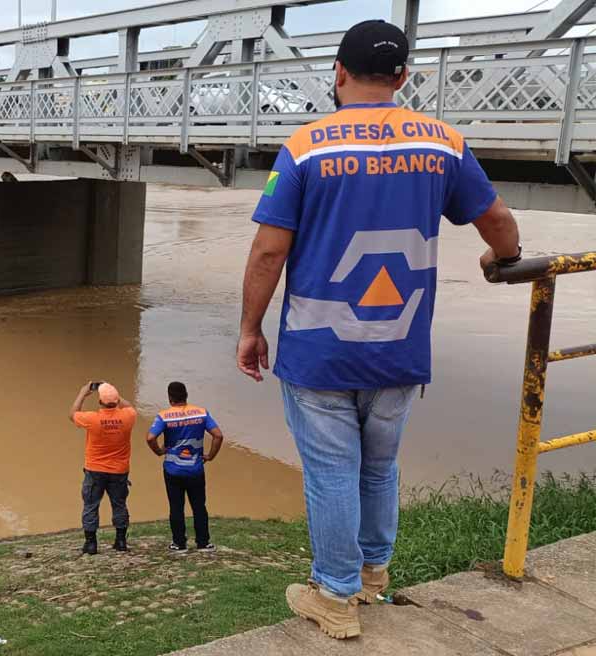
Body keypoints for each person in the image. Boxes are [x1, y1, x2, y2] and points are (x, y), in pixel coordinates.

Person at [237, 20, 522, 640]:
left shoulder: (308, 146)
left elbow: (267, 254)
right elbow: (497, 219)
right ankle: (371, 575)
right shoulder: (444, 143)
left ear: (338, 73)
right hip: (401, 349)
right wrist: (503, 259)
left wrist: (249, 328)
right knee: (379, 466)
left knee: (333, 471)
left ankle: (335, 598)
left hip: (320, 352)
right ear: (402, 78)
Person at [146, 381, 224, 552]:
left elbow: (150, 437)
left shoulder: (164, 416)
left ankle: (179, 543)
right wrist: (210, 456)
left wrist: (159, 451)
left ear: (169, 398)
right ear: (186, 395)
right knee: (199, 506)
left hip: (172, 469)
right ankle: (203, 543)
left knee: (176, 507)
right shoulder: (202, 413)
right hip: (195, 468)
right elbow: (218, 435)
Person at [69, 381, 137, 554]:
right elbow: (130, 407)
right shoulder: (128, 417)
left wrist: (83, 393)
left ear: (100, 402)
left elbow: (72, 414)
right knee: (119, 504)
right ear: (116, 401)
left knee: (91, 505)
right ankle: (120, 541)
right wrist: (114, 394)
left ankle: (91, 544)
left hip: (95, 470)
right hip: (119, 470)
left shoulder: (92, 419)